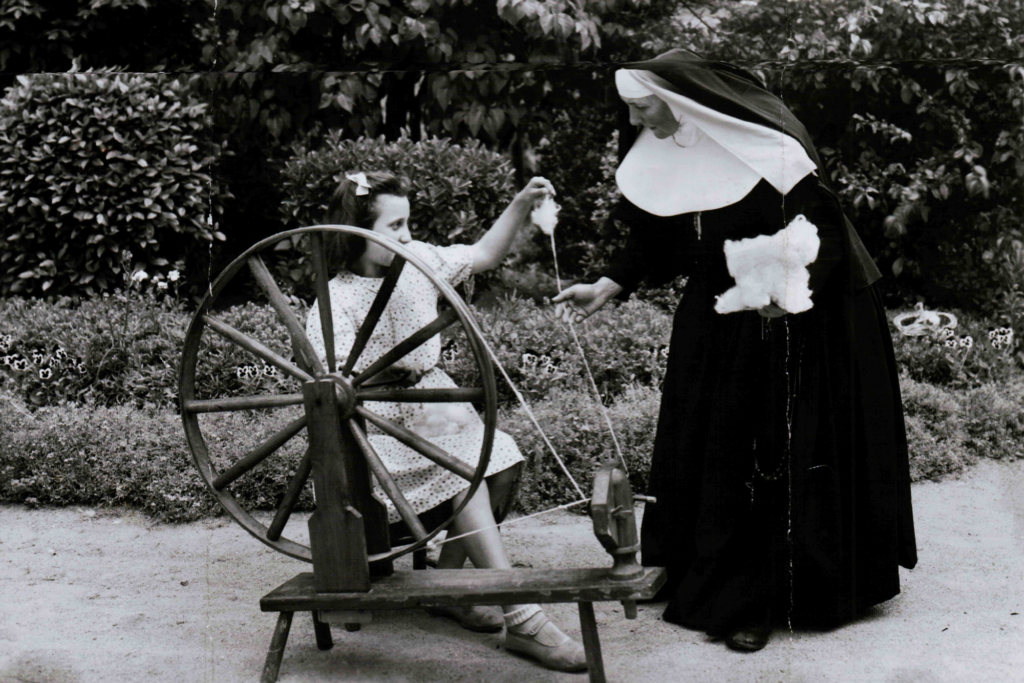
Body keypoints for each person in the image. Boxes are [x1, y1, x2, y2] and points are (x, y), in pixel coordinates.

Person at [552, 49, 918, 651]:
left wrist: (783, 300)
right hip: (721, 308)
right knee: (704, 433)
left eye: (644, 109)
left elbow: (820, 237)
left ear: (680, 101)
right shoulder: (672, 148)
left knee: (770, 445)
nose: (639, 123)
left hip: (803, 311)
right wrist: (611, 282)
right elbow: (660, 236)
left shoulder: (769, 150)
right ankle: (696, 566)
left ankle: (764, 598)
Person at [304, 170, 588, 673]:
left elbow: (483, 254)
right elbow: (334, 387)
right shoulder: (337, 299)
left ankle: (452, 590)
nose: (408, 236)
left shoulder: (420, 263)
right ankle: (521, 617)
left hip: (434, 407)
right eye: (396, 226)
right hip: (373, 431)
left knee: (500, 457)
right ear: (358, 230)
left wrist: (522, 202)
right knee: (468, 463)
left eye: (408, 222)